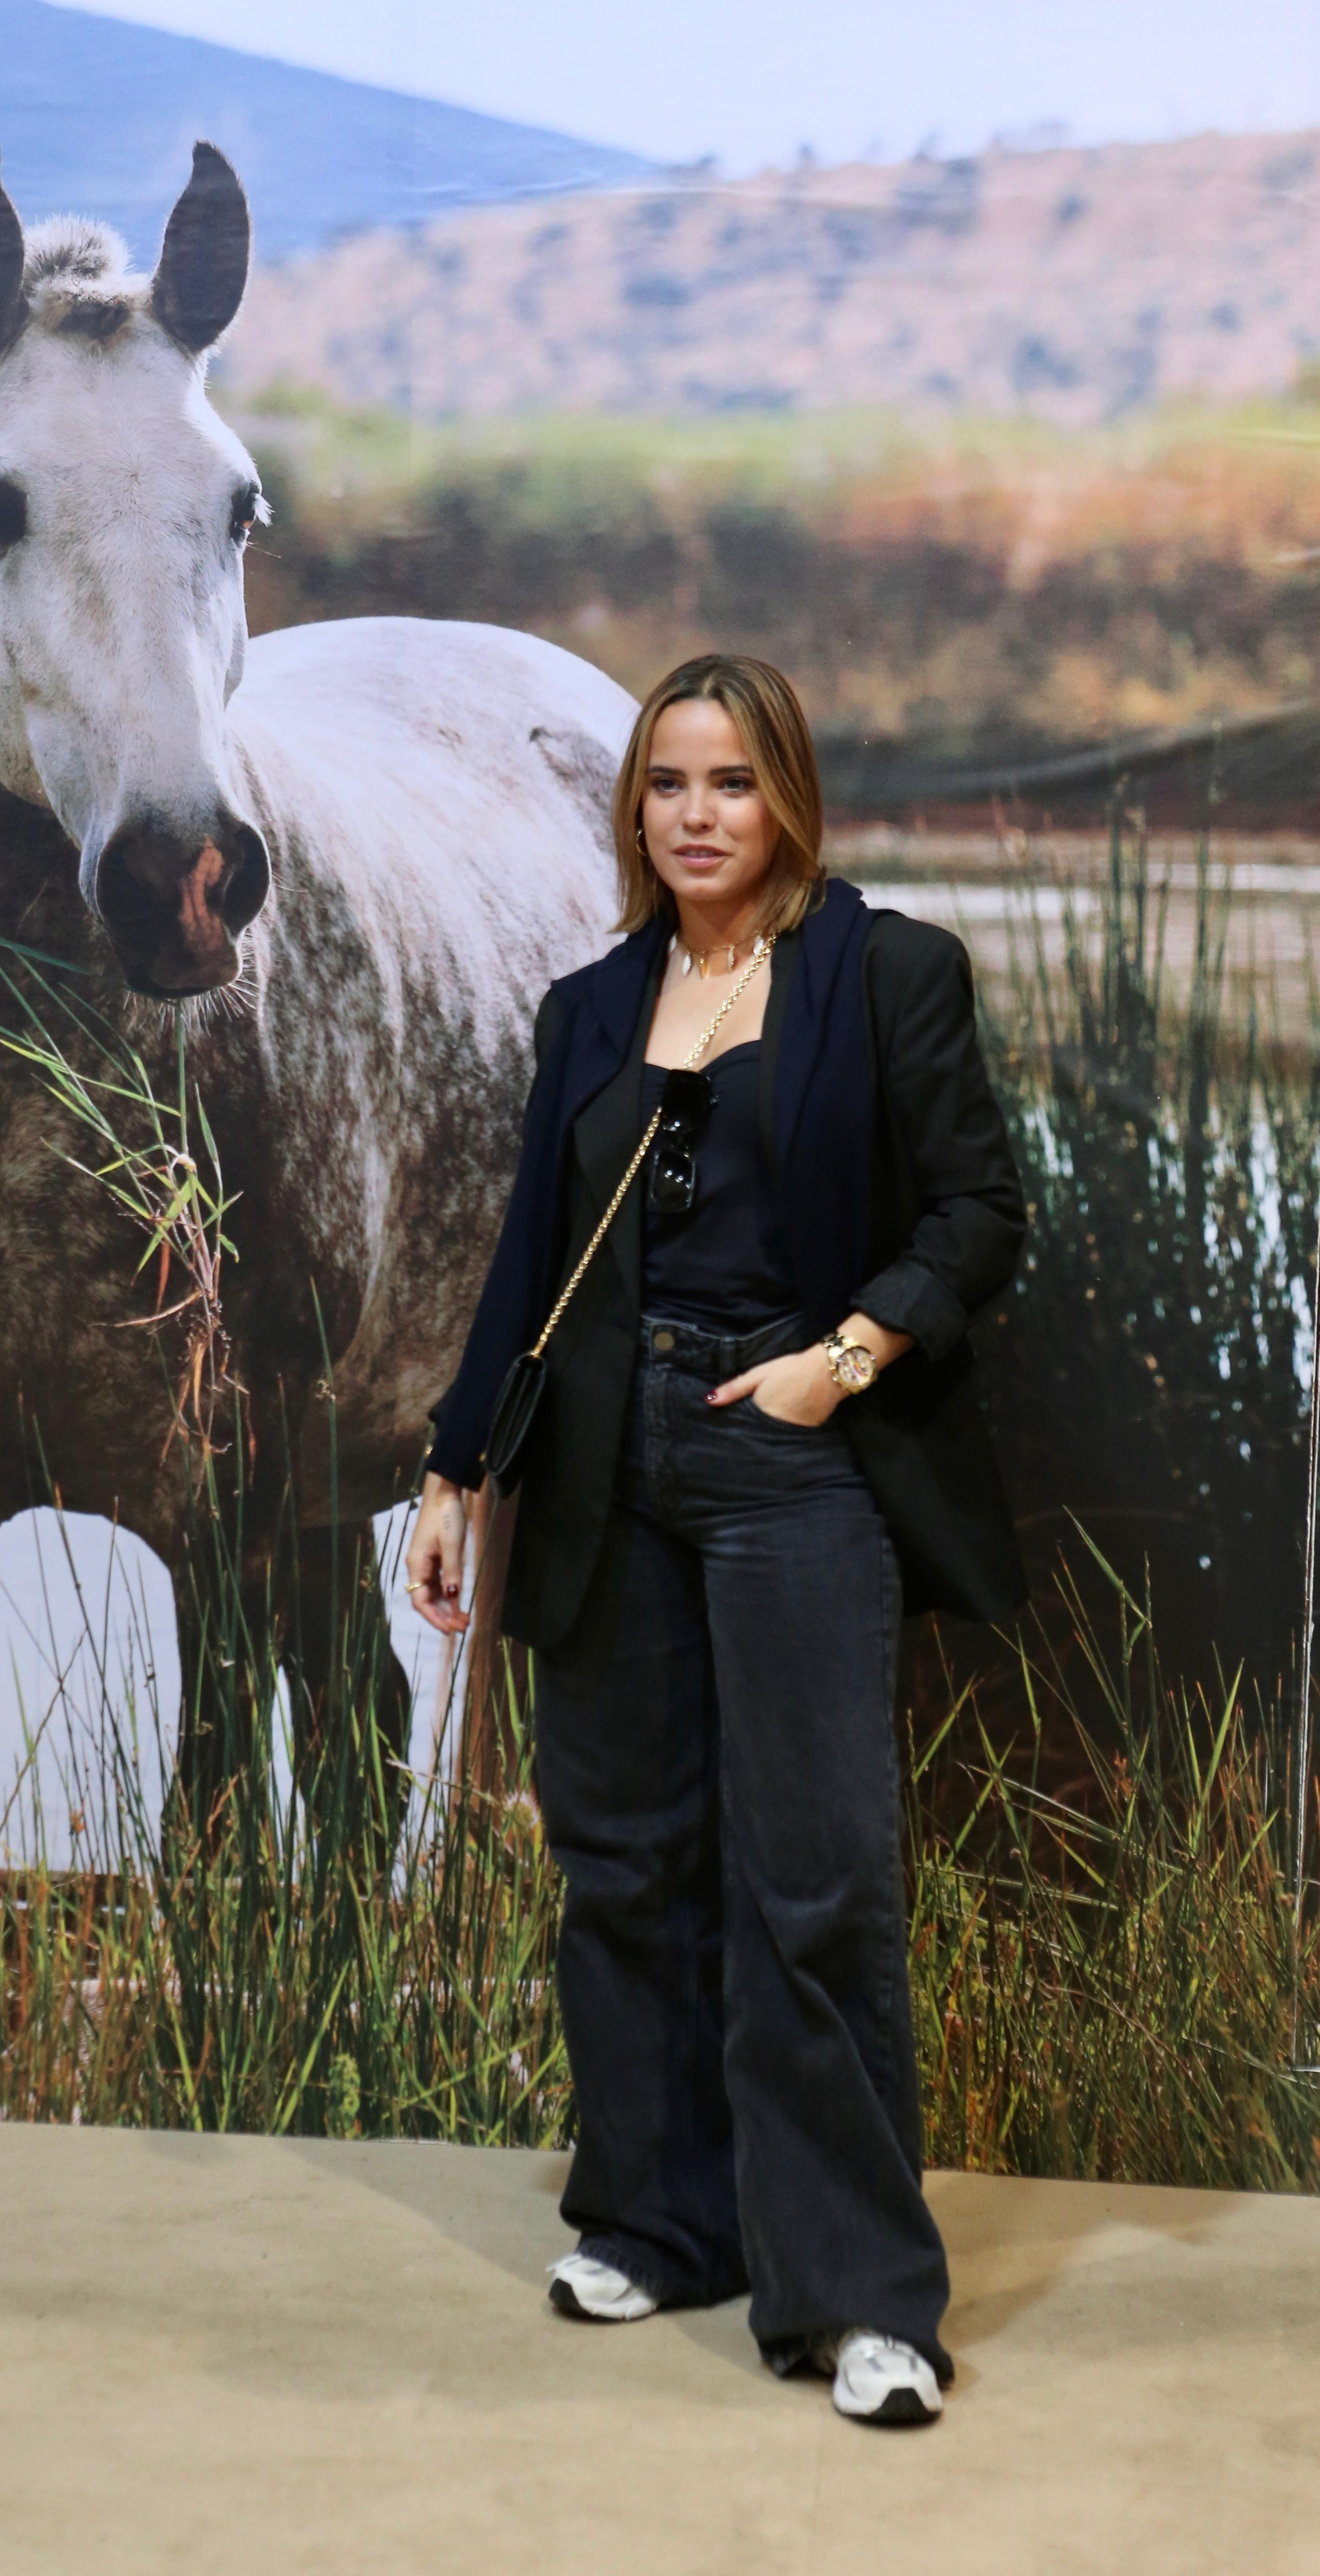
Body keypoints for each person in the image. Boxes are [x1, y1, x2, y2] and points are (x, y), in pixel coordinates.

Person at [404, 652, 1027, 2428]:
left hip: (793, 1458)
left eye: (732, 783)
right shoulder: (591, 1007)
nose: (697, 815)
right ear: (636, 809)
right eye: (668, 783)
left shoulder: (885, 973)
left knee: (814, 1880)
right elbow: (533, 1265)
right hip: (607, 1466)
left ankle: (862, 2300)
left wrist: (846, 1361)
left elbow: (984, 1209)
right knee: (621, 1863)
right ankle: (662, 2222)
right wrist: (461, 1476)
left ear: (789, 800)